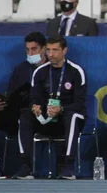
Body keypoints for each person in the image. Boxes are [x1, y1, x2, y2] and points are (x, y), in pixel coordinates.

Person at [14, 37, 87, 180]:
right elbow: (34, 99)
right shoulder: (40, 72)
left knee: (72, 116)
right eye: (48, 50)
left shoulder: (76, 71)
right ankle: (25, 167)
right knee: (25, 117)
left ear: (64, 51)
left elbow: (80, 103)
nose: (51, 54)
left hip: (65, 119)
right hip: (45, 119)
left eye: (55, 50)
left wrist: (61, 109)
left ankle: (68, 167)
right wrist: (36, 107)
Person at [0, 32, 47, 136]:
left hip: (46, 111)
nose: (30, 53)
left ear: (43, 49)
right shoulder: (20, 69)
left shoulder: (52, 68)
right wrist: (1, 104)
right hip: (23, 111)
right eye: (27, 50)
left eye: (34, 49)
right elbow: (11, 95)